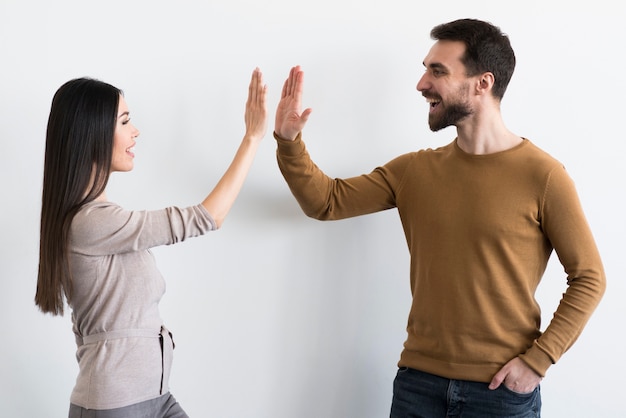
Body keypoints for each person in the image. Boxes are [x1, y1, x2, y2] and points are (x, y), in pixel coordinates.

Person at [273, 19, 605, 417]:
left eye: (438, 71)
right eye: (425, 68)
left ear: (483, 83)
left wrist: (539, 360)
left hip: (500, 393)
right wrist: (289, 142)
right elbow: (325, 202)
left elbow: (589, 277)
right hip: (417, 385)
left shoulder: (544, 176)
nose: (421, 84)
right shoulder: (415, 171)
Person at [35, 68, 267, 417]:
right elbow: (205, 217)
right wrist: (252, 138)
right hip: (116, 405)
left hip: (155, 397)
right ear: (93, 133)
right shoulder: (91, 223)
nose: (135, 131)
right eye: (125, 121)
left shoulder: (93, 220)